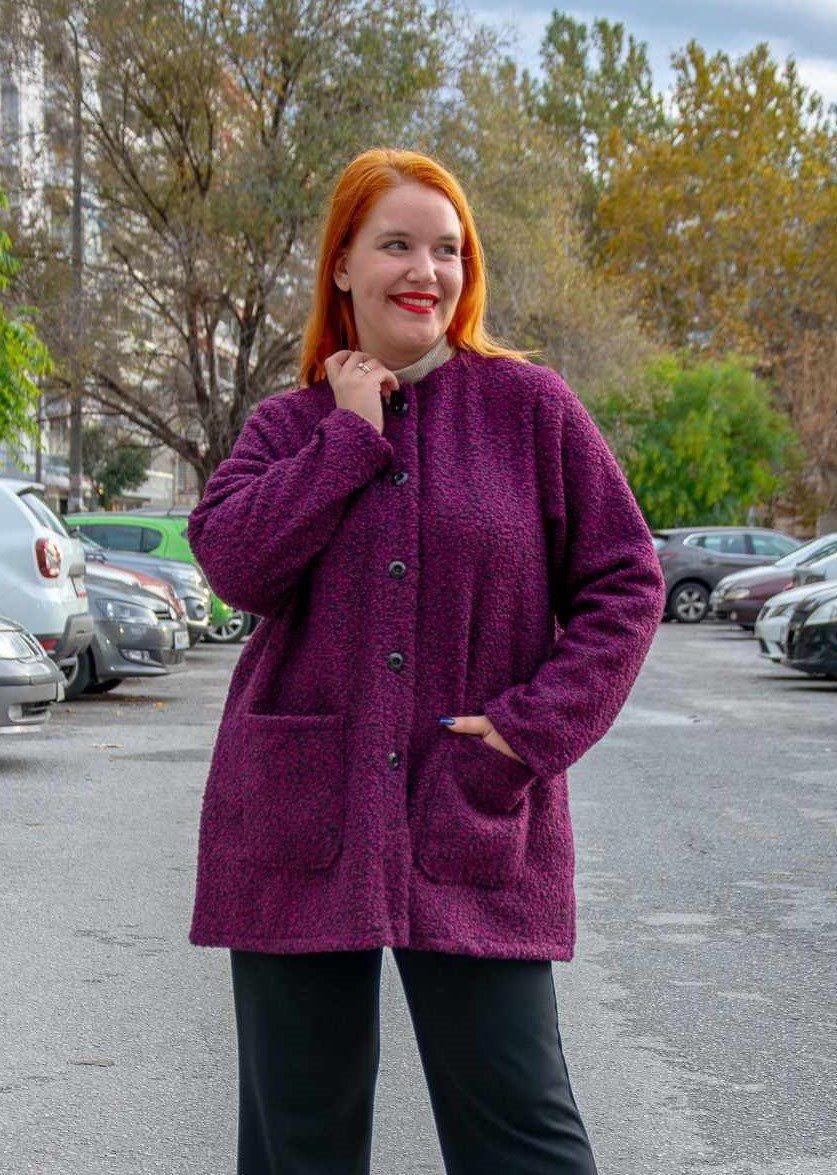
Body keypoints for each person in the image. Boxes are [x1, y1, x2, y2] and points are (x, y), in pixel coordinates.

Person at [186, 147, 667, 1174]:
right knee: (299, 1143)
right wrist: (347, 439)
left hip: (472, 803)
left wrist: (528, 732)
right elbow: (235, 565)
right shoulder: (288, 424)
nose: (426, 271)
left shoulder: (530, 409)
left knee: (523, 1134)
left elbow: (627, 581)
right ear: (343, 265)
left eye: (447, 249)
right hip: (299, 816)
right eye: (397, 244)